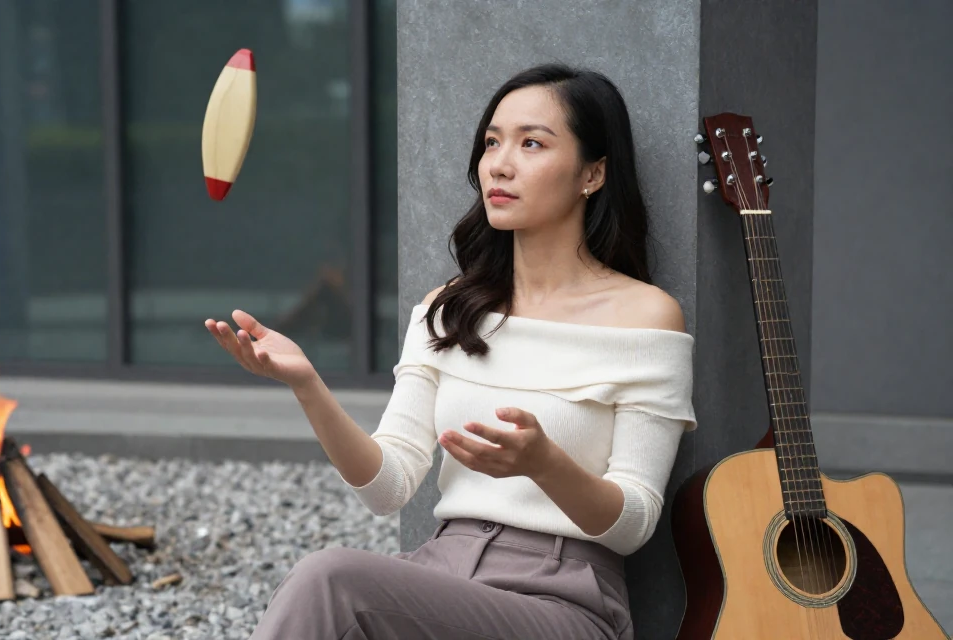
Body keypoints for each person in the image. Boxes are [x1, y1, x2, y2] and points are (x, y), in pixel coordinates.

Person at [205, 62, 696, 640]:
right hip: (441, 575)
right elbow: (388, 486)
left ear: (592, 173)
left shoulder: (644, 316)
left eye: (531, 143)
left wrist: (545, 464)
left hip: (563, 601)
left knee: (331, 578)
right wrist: (307, 385)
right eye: (492, 142)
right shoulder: (450, 307)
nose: (500, 163)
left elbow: (633, 523)